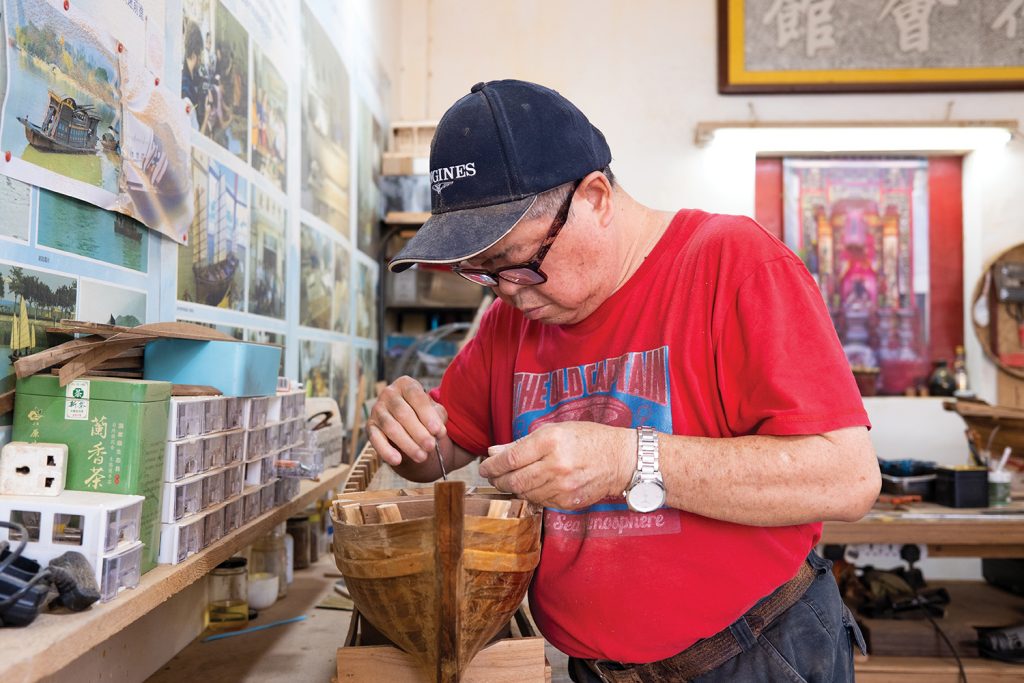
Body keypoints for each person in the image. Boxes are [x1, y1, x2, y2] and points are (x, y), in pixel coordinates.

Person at [368, 79, 880, 682]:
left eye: (521, 262)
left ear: (596, 197)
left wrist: (628, 459)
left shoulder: (733, 263)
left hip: (755, 654)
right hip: (595, 669)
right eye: (482, 273)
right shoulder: (511, 321)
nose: (507, 291)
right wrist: (407, 431)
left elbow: (847, 479)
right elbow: (439, 452)